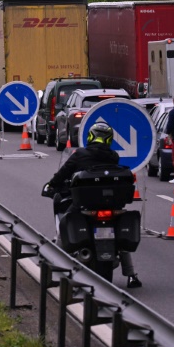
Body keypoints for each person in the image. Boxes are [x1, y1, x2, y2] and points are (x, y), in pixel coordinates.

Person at [42, 122, 142, 288]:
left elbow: (63, 172)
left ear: (91, 137)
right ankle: (131, 274)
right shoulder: (113, 155)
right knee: (120, 236)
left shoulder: (79, 154)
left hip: (84, 205)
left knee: (66, 223)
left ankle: (55, 266)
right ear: (108, 139)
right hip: (111, 205)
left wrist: (52, 184)